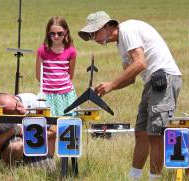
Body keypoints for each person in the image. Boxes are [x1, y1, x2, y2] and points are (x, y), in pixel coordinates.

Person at [78, 11, 182, 180]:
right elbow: (131, 78)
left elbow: (140, 63)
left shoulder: (126, 29)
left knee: (155, 133)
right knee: (141, 132)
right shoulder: (121, 44)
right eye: (90, 36)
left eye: (94, 33)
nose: (93, 38)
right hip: (151, 82)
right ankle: (134, 177)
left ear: (106, 26)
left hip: (165, 78)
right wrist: (107, 87)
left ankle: (154, 178)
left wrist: (111, 84)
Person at [0, 92, 56, 170]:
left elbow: (54, 130)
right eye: (13, 111)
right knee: (18, 145)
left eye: (17, 104)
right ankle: (12, 169)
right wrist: (13, 131)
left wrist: (41, 134)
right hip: (13, 151)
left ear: (14, 97)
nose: (19, 109)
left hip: (39, 147)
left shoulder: (34, 101)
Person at [36, 16, 77, 116]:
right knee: (49, 124)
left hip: (66, 94)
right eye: (52, 33)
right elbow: (38, 76)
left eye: (60, 33)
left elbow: (70, 75)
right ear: (48, 33)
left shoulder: (71, 51)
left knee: (67, 123)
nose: (56, 36)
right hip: (47, 95)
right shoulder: (42, 51)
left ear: (66, 32)